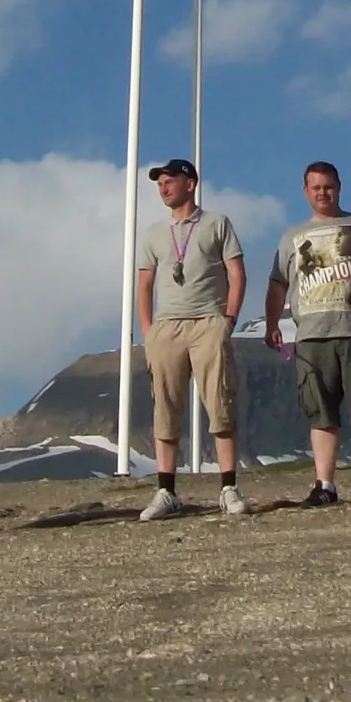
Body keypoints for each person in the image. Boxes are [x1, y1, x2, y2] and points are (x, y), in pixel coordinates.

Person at [262, 161, 351, 506]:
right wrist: (271, 324)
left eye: (328, 186)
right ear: (305, 191)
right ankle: (324, 485)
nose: (322, 193)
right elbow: (277, 283)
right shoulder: (291, 237)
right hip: (312, 336)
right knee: (320, 412)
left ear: (339, 187)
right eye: (316, 188)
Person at [134, 158, 251, 521]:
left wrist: (227, 320)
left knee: (220, 401)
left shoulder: (217, 224)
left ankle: (228, 487)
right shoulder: (154, 232)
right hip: (167, 327)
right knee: (165, 407)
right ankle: (166, 491)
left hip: (208, 322)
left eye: (170, 181)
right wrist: (148, 331)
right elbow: (145, 284)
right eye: (159, 183)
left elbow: (236, 273)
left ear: (190, 183)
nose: (163, 187)